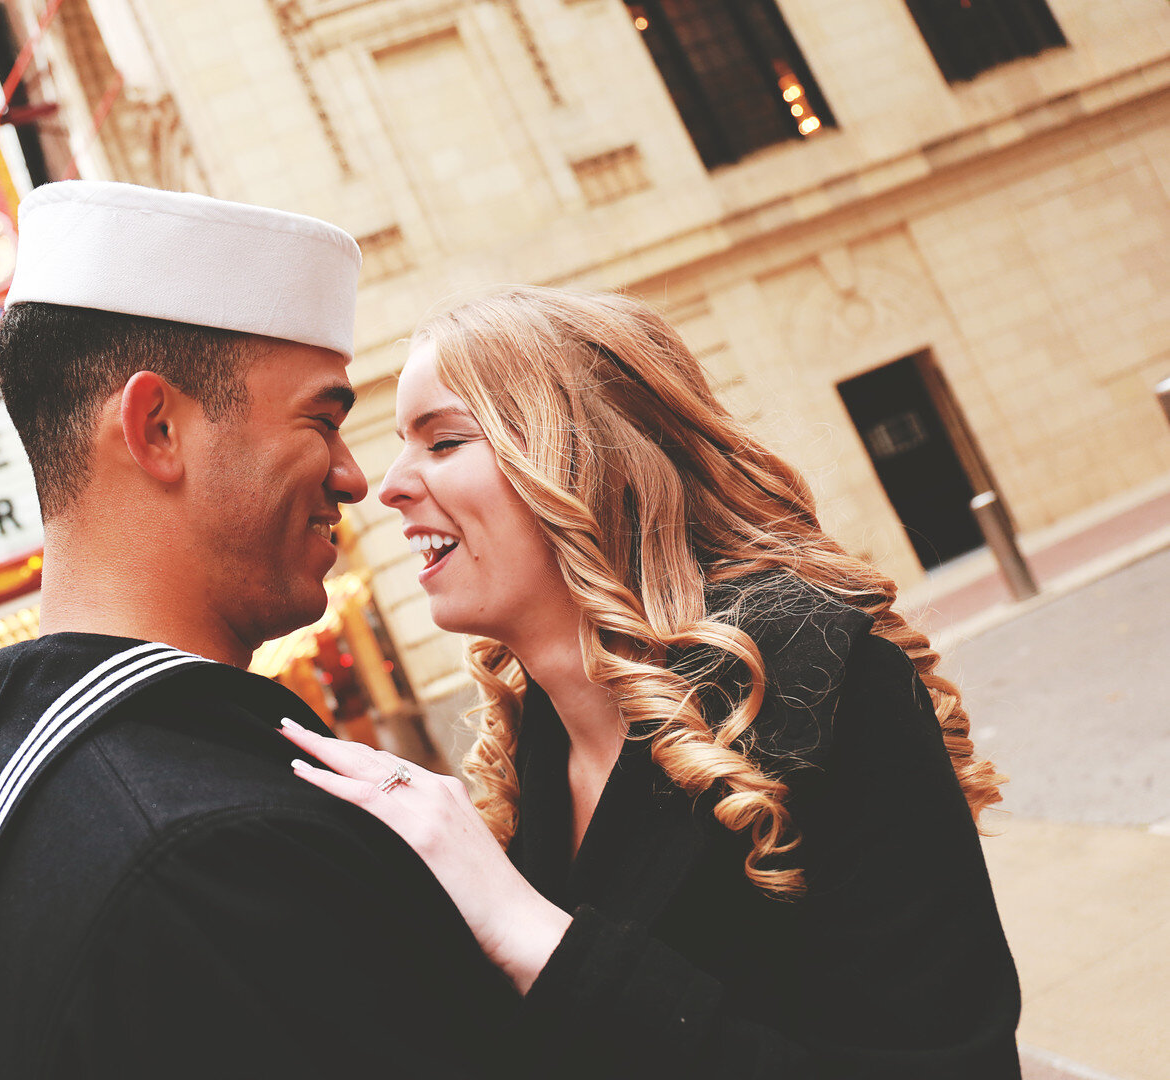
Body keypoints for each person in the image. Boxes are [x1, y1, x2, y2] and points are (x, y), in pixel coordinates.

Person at [281, 286, 1022, 1078]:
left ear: (585, 463)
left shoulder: (823, 679)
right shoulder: (532, 739)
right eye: (401, 442)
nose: (385, 484)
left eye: (445, 440)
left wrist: (530, 933)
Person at [0, 182, 519, 1080]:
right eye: (322, 417)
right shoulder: (220, 853)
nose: (357, 479)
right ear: (158, 427)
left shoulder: (32, 778)